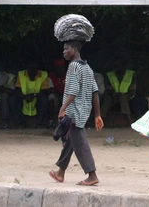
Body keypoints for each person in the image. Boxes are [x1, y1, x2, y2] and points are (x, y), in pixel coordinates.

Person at [49, 40, 104, 186]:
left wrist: (62, 108)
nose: (64, 52)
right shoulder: (87, 67)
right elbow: (95, 92)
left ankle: (92, 175)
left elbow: (73, 91)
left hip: (74, 111)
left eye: (66, 49)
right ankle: (60, 173)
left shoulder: (73, 66)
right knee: (71, 141)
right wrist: (98, 114)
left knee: (79, 142)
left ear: (74, 49)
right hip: (84, 110)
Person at [101, 56, 148, 126]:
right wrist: (115, 95)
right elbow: (108, 89)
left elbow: (133, 90)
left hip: (128, 97)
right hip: (113, 96)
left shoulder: (131, 74)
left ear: (124, 66)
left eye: (120, 65)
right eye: (116, 66)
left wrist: (122, 95)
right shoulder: (110, 75)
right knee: (107, 99)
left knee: (122, 97)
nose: (118, 67)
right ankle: (101, 119)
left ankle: (128, 119)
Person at [14, 61, 52, 128]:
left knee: (44, 100)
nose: (33, 70)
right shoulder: (21, 74)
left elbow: (44, 90)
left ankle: (39, 123)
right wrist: (25, 97)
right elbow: (17, 90)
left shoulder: (43, 74)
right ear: (27, 68)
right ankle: (21, 123)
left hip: (37, 96)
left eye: (35, 68)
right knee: (13, 100)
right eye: (31, 68)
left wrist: (34, 95)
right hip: (24, 97)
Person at [48, 59, 67, 128]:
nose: (60, 69)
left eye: (62, 67)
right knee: (51, 97)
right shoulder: (51, 76)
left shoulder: (68, 75)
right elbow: (50, 89)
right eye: (58, 67)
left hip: (66, 96)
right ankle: (51, 121)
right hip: (56, 96)